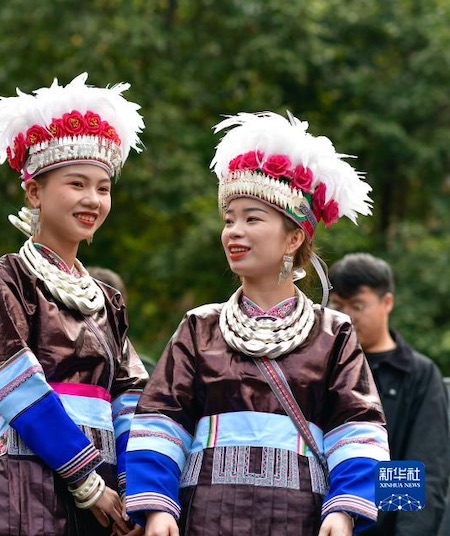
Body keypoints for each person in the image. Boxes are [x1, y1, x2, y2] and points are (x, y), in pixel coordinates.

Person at [125, 111, 390, 536]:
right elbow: (161, 421)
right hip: (205, 518)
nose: (234, 231)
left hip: (301, 520)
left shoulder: (333, 334)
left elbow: (357, 429)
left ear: (293, 238)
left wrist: (342, 509)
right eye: (229, 219)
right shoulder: (199, 328)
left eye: (252, 218)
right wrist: (158, 507)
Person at [0, 72, 149, 535]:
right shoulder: (2, 282)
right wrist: (86, 482)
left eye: (103, 188)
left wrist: (130, 483)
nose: (93, 199)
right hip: (30, 483)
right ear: (34, 192)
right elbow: (17, 386)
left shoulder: (107, 299)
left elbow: (131, 396)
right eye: (76, 184)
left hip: (108, 488)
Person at [328, 252, 450, 535]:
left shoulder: (416, 375)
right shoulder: (321, 367)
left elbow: (422, 468)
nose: (347, 316)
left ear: (387, 302)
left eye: (358, 305)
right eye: (338, 305)